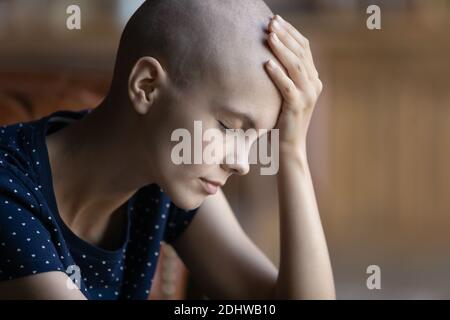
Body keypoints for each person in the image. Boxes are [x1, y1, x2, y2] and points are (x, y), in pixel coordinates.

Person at [0, 0, 335, 299]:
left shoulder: (163, 176)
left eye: (258, 138)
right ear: (146, 87)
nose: (242, 163)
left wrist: (292, 149)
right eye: (230, 127)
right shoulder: (9, 191)